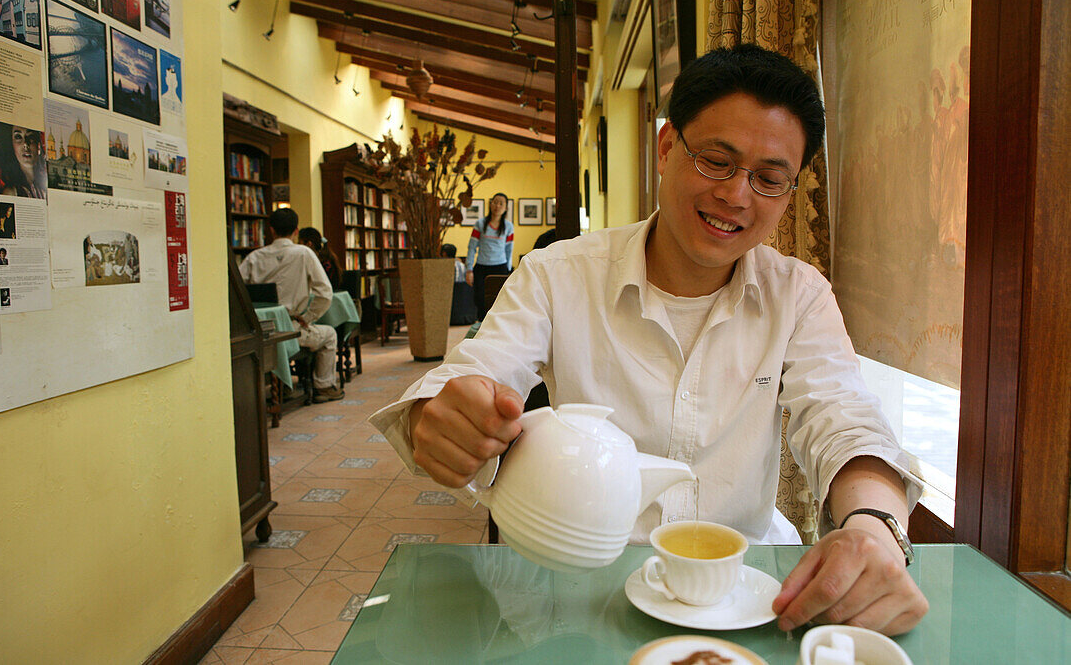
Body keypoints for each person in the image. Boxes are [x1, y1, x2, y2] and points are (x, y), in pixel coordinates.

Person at [369, 44, 928, 636]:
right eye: (716, 160)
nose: (737, 196)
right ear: (667, 148)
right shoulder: (558, 275)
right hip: (586, 593)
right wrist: (444, 416)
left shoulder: (799, 294)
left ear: (790, 193)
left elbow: (842, 417)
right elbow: (477, 373)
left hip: (741, 595)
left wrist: (872, 528)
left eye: (768, 179)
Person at [240, 208, 344, 401]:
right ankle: (324, 386)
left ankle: (282, 385)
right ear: (296, 231)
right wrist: (308, 318)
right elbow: (325, 293)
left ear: (271, 230)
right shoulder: (304, 253)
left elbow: (237, 290)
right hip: (291, 330)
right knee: (330, 334)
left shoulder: (254, 257)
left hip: (260, 330)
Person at [466, 192, 513, 319]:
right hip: (481, 268)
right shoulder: (480, 224)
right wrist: (469, 269)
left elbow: (509, 249)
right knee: (480, 300)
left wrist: (509, 270)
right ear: (491, 204)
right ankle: (481, 327)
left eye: (501, 203)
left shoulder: (509, 227)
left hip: (500, 268)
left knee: (499, 301)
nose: (497, 206)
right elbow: (471, 248)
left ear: (506, 208)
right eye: (495, 202)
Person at [4, 126, 47, 199]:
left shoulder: (47, 188)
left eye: (31, 137)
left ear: (38, 145)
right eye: (18, 137)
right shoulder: (11, 193)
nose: (25, 144)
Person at [297, 226, 342, 290]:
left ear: (309, 244)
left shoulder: (325, 264)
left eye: (299, 243)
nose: (298, 246)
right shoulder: (320, 259)